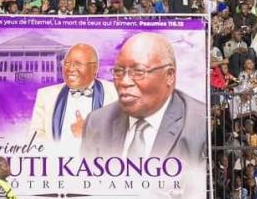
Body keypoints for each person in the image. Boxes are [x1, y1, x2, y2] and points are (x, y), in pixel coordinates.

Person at [80, 32, 206, 164]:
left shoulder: (199, 124)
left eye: (138, 72)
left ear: (169, 75)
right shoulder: (96, 123)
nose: (124, 82)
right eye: (118, 71)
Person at [28, 43, 117, 146]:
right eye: (66, 64)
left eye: (78, 64)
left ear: (94, 68)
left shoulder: (116, 93)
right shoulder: (46, 95)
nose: (70, 69)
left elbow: (126, 138)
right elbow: (34, 138)